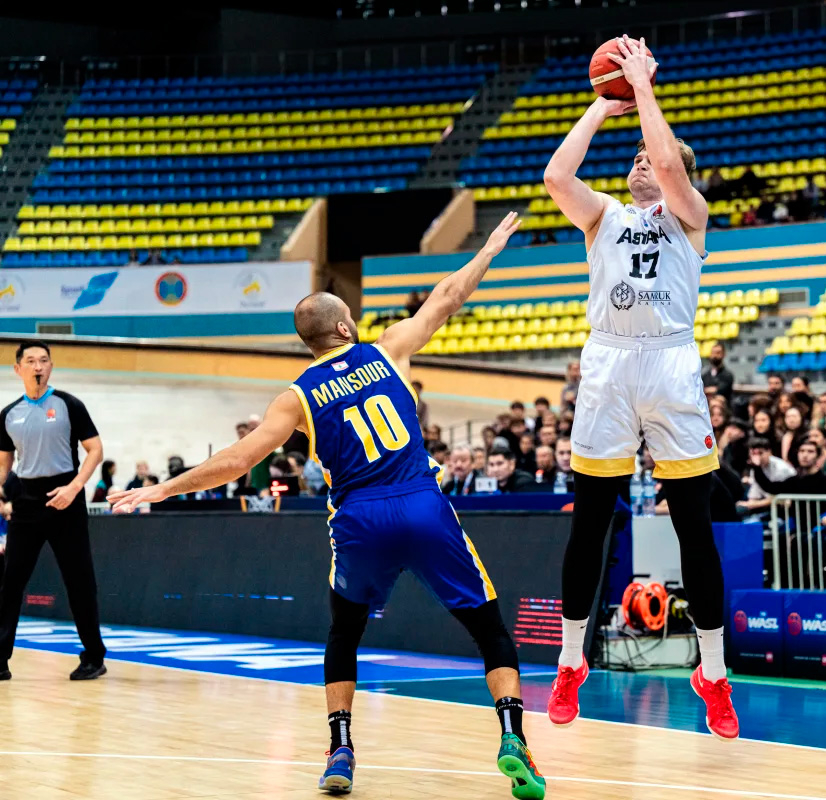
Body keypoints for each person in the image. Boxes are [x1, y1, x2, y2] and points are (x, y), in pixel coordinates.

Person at [107, 215, 547, 798]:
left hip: (361, 518)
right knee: (488, 629)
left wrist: (162, 489)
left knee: (345, 632)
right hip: (420, 501)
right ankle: (513, 736)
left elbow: (237, 460)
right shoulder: (387, 351)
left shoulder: (295, 397)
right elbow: (447, 296)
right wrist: (487, 251)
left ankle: (340, 749)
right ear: (345, 326)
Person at [542, 36, 738, 739]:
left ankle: (713, 673)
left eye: (647, 159)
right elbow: (556, 177)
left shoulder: (690, 216)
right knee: (590, 522)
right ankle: (570, 661)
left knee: (693, 527)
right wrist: (604, 105)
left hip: (669, 365)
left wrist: (644, 88)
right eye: (633, 159)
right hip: (609, 364)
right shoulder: (604, 216)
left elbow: (667, 161)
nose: (639, 165)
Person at [0, 341, 107, 683]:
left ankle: (94, 657)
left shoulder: (69, 404)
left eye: (44, 360)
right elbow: (3, 463)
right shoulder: (9, 413)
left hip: (66, 498)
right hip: (26, 502)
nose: (38, 366)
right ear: (18, 369)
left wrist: (75, 487)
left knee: (80, 582)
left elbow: (95, 450)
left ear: (51, 366)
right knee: (10, 582)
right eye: (31, 361)